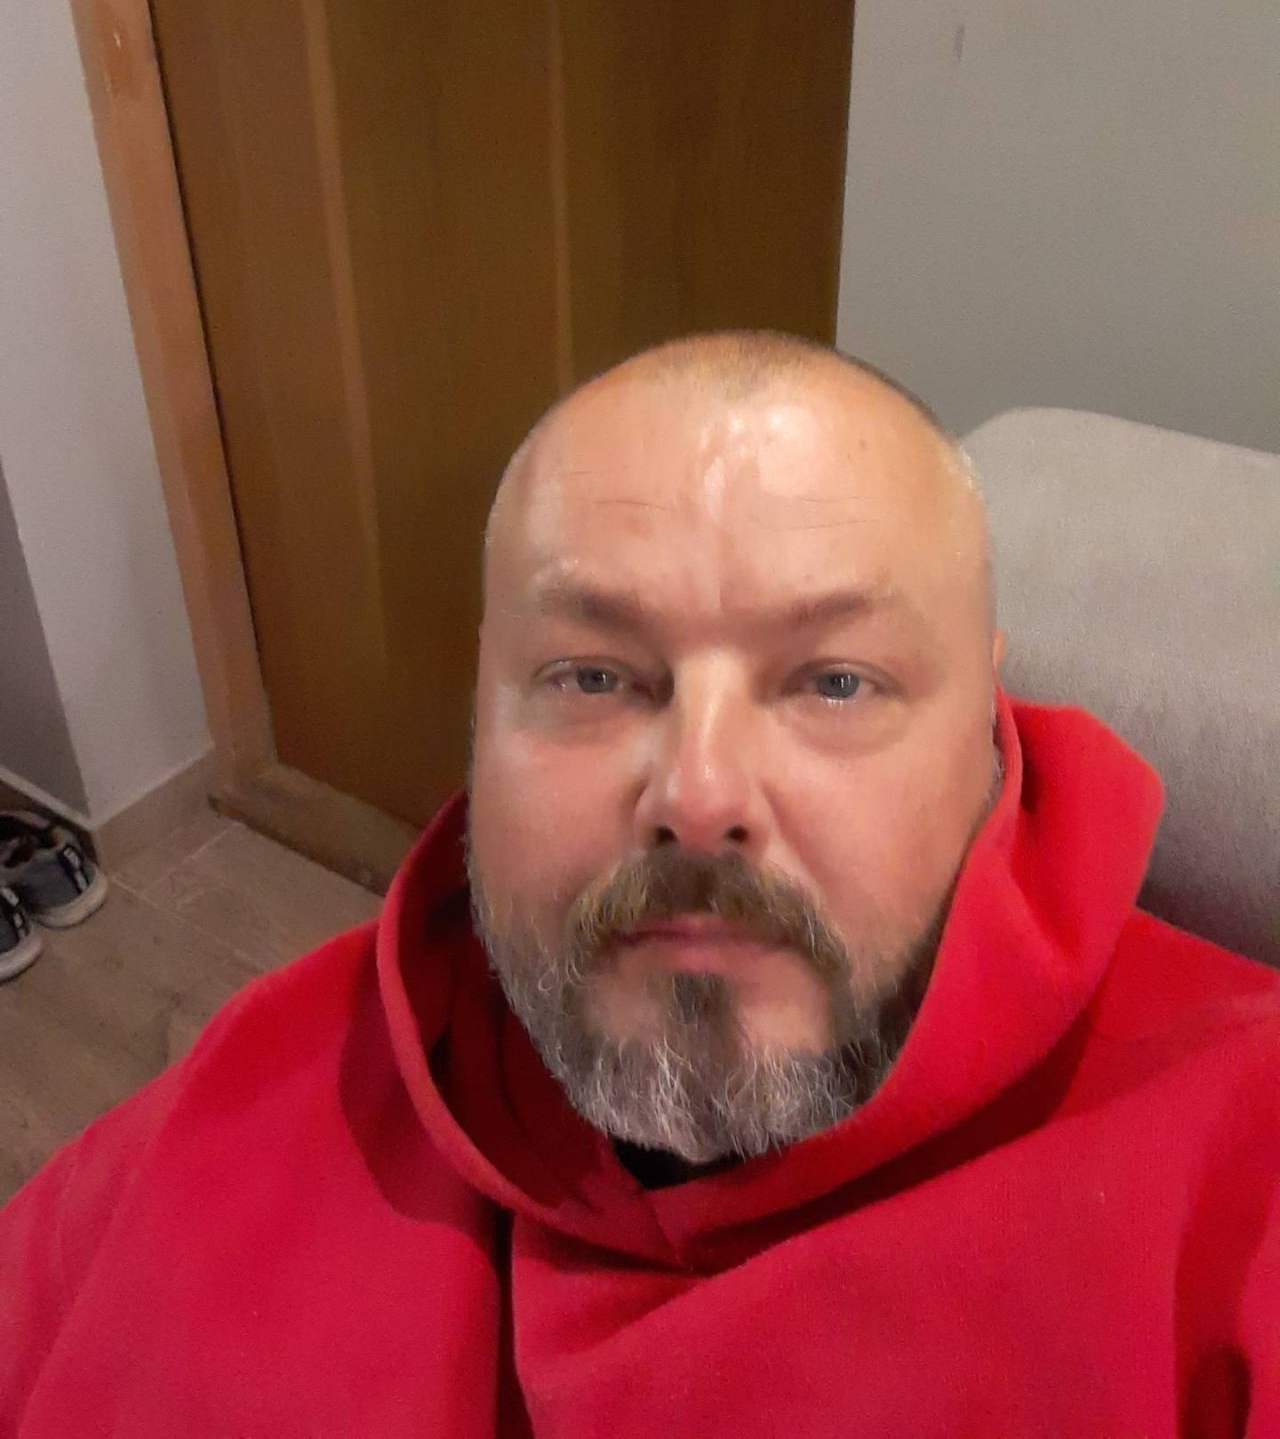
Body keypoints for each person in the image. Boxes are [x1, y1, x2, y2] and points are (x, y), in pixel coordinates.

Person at [2, 331, 1276, 1436]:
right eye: (593, 676)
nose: (698, 793)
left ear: (983, 722)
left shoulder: (1242, 1167)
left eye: (835, 680)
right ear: (480, 706)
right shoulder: (239, 1098)